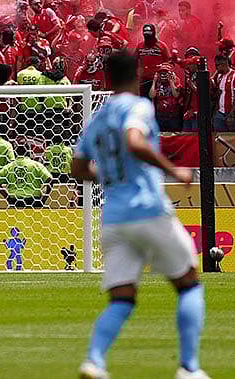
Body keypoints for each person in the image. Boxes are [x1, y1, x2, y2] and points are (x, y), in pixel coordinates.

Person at [70, 51, 205, 379]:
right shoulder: (138, 105)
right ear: (139, 73)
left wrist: (109, 175)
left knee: (122, 298)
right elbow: (134, 141)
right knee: (188, 283)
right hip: (146, 208)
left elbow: (76, 167)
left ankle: (94, 360)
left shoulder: (98, 118)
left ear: (106, 78)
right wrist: (175, 171)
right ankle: (189, 368)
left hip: (113, 216)